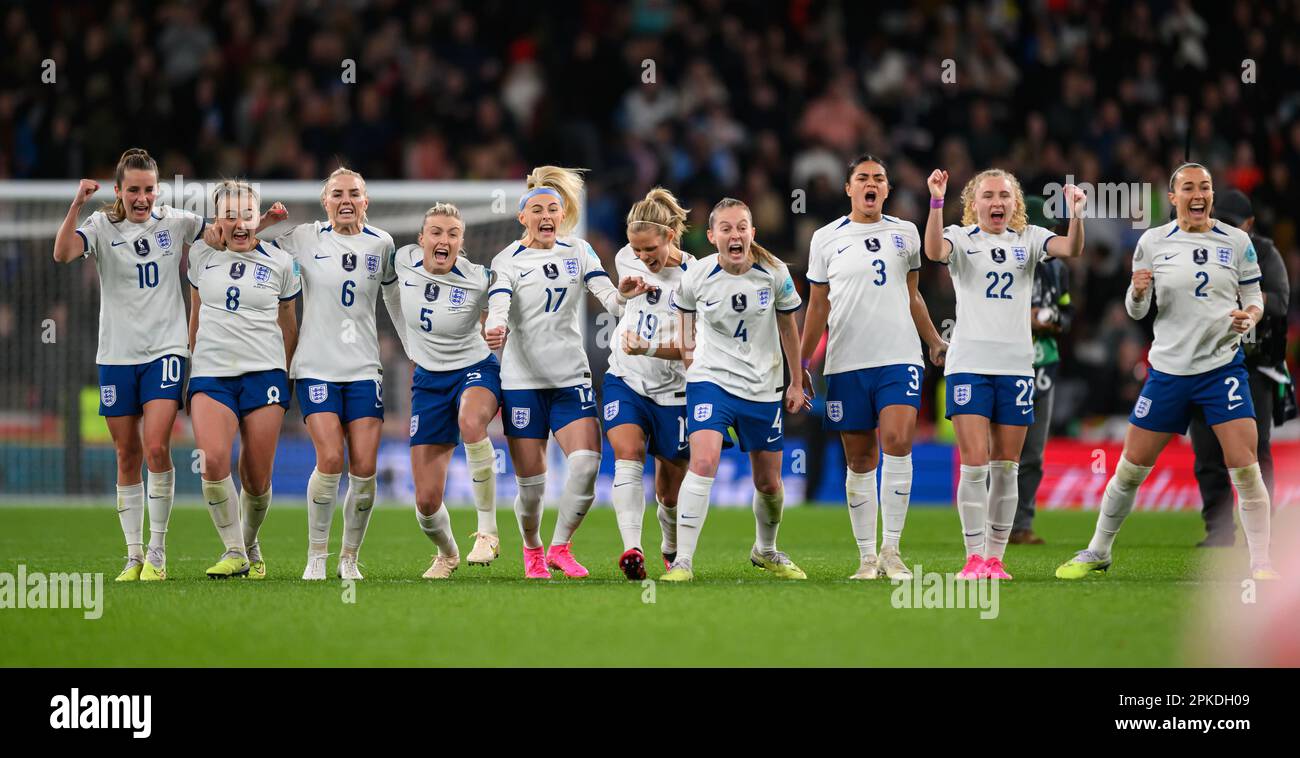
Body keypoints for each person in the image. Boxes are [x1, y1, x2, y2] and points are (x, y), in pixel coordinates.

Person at [1057, 163, 1277, 581]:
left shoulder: (1237, 241)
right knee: (1131, 467)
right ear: (1173, 197)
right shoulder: (1153, 242)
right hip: (1169, 371)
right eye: (1189, 188)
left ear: (1212, 195)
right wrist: (1138, 292)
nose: (1198, 194)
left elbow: (1253, 295)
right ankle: (1098, 550)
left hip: (1221, 369)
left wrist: (1250, 316)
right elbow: (1137, 310)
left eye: (1205, 187)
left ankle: (1261, 561)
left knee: (1244, 466)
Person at [924, 168, 1085, 581]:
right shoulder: (962, 239)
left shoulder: (1029, 239)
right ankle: (973, 557)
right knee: (975, 465)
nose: (996, 203)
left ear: (1015, 204)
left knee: (1006, 467)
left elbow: (1070, 247)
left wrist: (1077, 214)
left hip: (1016, 367)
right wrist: (936, 201)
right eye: (988, 195)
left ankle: (995, 559)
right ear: (973, 203)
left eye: (1004, 196)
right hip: (969, 366)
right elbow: (932, 250)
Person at [51, 148, 204, 582]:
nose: (143, 197)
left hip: (166, 351)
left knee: (156, 446)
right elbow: (62, 253)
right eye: (134, 189)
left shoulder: (174, 221)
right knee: (125, 453)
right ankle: (133, 555)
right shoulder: (100, 226)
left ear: (157, 190)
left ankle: (157, 550)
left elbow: (220, 236)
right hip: (116, 355)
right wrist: (77, 204)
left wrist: (259, 225)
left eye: (149, 189)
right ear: (118, 190)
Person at [484, 166, 642, 579]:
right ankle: (532, 548)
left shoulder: (579, 251)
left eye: (553, 208)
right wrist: (495, 324)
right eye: (537, 209)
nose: (546, 215)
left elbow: (608, 297)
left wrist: (623, 297)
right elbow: (499, 301)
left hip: (571, 379)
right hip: (522, 385)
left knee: (588, 465)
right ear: (523, 217)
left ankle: (560, 546)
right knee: (531, 491)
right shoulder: (508, 261)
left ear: (562, 213)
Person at [800, 154, 947, 580]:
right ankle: (866, 558)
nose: (871, 184)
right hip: (847, 361)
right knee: (860, 458)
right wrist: (801, 364)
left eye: (878, 179)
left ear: (886, 189)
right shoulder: (826, 238)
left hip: (899, 356)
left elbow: (913, 295)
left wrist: (934, 341)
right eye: (862, 178)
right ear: (848, 188)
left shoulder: (906, 233)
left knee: (899, 440)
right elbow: (817, 306)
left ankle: (892, 550)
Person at [252, 168, 400, 581]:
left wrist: (414, 346)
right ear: (326, 201)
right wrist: (264, 222)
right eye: (338, 194)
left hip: (363, 368)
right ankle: (317, 554)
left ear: (366, 201)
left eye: (354, 193)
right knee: (331, 457)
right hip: (315, 366)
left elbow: (392, 295)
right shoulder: (304, 237)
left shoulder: (382, 243)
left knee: (365, 471)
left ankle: (348, 558)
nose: (346, 200)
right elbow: (245, 242)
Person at [661, 197, 808, 582]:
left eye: (741, 226)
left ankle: (766, 549)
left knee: (769, 482)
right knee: (704, 462)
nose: (735, 234)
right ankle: (683, 561)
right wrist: (690, 363)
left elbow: (788, 327)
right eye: (726, 228)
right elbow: (684, 322)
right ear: (712, 236)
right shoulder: (696, 276)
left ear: (752, 232)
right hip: (712, 381)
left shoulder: (773, 271)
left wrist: (795, 379)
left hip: (762, 386)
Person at [187, 181, 300, 579]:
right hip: (211, 372)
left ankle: (249, 544)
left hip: (264, 373)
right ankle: (234, 550)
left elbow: (289, 325)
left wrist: (284, 374)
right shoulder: (200, 255)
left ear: (258, 217)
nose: (238, 222)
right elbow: (195, 314)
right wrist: (191, 358)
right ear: (216, 219)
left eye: (246, 214)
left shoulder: (281, 263)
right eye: (228, 214)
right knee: (213, 460)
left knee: (256, 475)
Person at [396, 203, 502, 579]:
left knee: (472, 422)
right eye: (436, 233)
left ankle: (487, 531)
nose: (444, 240)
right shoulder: (402, 261)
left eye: (452, 234)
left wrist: (499, 327)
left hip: (476, 368)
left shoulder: (478, 278)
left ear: (461, 241)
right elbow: (390, 295)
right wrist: (408, 343)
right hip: (428, 380)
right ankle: (448, 553)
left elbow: (508, 305)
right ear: (421, 239)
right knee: (425, 503)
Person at [1184, 189, 1289, 547]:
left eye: (1232, 223)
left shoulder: (1263, 252)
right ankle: (1219, 530)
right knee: (1207, 452)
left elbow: (1279, 300)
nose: (1225, 228)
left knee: (1254, 450)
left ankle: (1261, 529)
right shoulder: (1197, 242)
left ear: (1249, 224)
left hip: (1253, 364)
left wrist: (1242, 293)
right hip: (1204, 362)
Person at [605, 187, 695, 580]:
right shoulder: (626, 257)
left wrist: (652, 349)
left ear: (670, 235)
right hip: (625, 376)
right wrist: (622, 296)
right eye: (636, 250)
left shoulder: (697, 277)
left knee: (669, 493)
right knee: (627, 455)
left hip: (674, 390)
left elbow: (695, 348)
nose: (642, 258)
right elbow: (622, 301)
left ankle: (670, 546)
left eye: (649, 250)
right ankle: (632, 549)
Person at [1011, 196, 1074, 545]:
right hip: (1006, 362)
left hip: (1043, 363)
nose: (1051, 236)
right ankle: (991, 524)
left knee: (1033, 452)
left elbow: (1068, 314)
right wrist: (1026, 319)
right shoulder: (1007, 258)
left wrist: (1054, 322)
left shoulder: (1057, 269)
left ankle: (1022, 524)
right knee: (1001, 453)